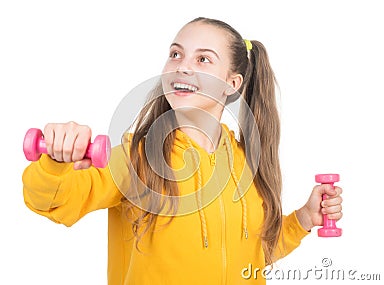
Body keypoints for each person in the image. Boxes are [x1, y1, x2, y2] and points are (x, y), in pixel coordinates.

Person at [22, 17, 343, 285]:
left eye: (202, 59)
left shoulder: (246, 162)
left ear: (232, 83)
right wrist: (55, 162)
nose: (182, 67)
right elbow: (56, 202)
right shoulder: (136, 159)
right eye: (175, 54)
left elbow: (253, 256)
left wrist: (303, 219)